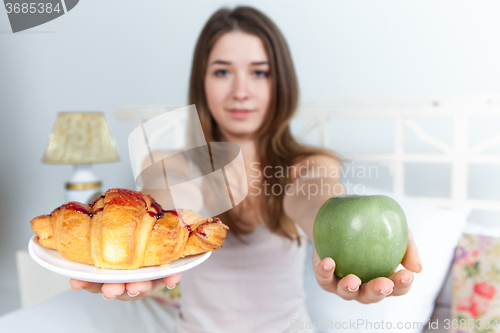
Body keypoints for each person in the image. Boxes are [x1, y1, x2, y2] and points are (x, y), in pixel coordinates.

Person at [1, 6, 421, 333]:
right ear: (202, 81)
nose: (241, 90)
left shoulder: (306, 166)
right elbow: (171, 202)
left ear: (281, 83)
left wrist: (348, 238)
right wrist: (147, 256)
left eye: (260, 73)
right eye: (223, 71)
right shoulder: (168, 163)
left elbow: (317, 199)